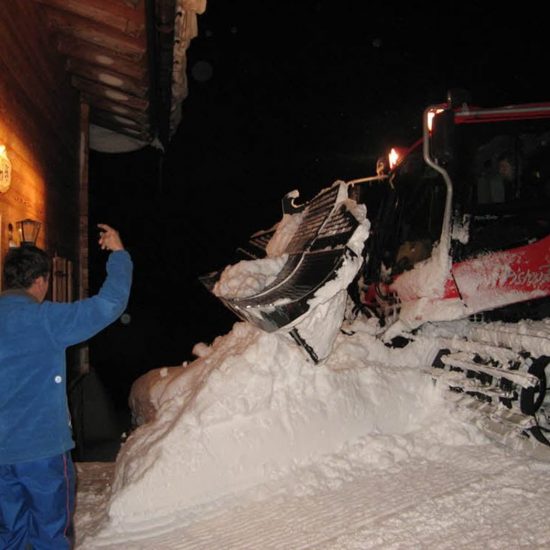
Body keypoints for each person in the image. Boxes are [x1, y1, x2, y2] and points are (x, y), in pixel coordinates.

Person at [0, 224, 132, 549]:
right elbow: (110, 303)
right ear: (41, 281)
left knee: (9, 534)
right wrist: (118, 254)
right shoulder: (47, 319)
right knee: (50, 533)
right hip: (42, 451)